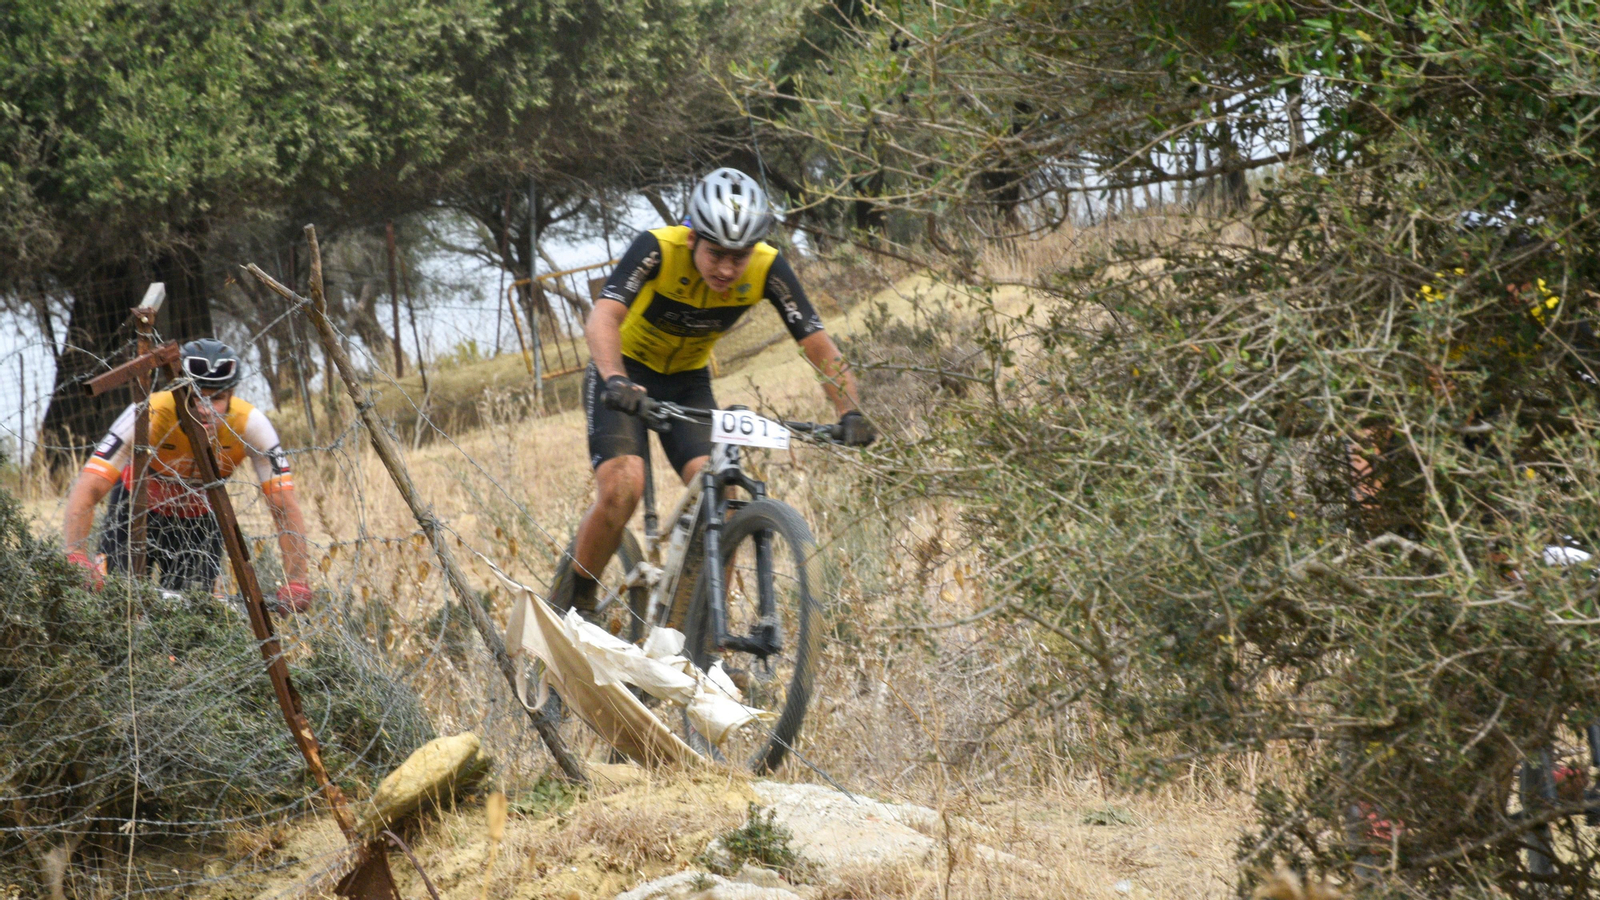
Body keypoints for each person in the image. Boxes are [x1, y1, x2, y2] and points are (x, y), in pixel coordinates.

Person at [567, 167, 876, 618]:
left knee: (725, 499)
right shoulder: (658, 248)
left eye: (740, 256)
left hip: (688, 382)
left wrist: (850, 410)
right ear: (693, 239)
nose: (729, 270)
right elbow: (603, 318)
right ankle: (575, 599)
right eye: (716, 254)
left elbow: (817, 343)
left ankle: (703, 636)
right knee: (623, 486)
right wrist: (614, 378)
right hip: (624, 374)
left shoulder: (769, 267)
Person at [61, 338, 314, 611]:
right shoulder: (150, 411)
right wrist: (75, 555)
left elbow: (284, 506)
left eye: (216, 398)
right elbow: (91, 486)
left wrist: (297, 580)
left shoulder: (250, 424)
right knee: (117, 609)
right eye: (195, 397)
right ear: (178, 390)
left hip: (199, 523)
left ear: (232, 394)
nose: (205, 408)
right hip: (133, 513)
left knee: (193, 620)